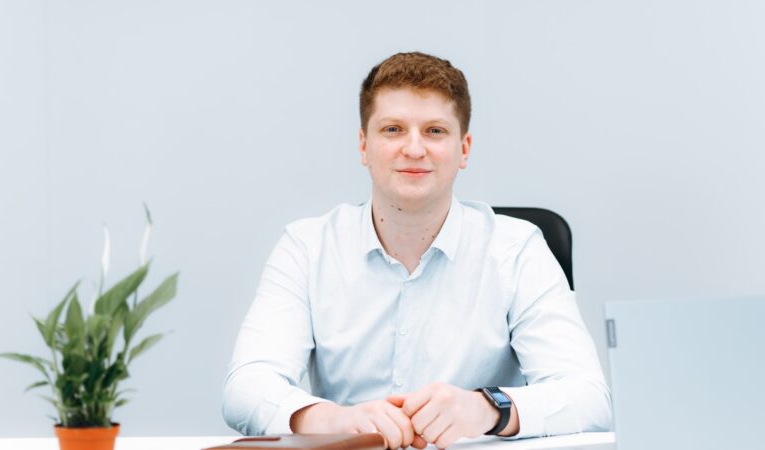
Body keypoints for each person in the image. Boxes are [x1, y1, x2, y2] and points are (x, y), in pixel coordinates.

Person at [222, 52, 611, 449]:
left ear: (464, 149)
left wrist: (488, 408)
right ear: (364, 145)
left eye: (434, 131)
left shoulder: (517, 249)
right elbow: (246, 386)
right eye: (393, 129)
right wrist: (333, 420)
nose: (413, 148)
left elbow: (590, 397)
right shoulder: (308, 247)